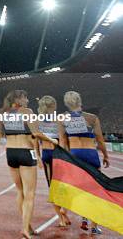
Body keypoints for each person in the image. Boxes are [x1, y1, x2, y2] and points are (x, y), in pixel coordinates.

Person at [0, 90, 57, 239]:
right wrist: (53, 141)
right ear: (18, 99)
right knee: (30, 193)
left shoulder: (2, 113)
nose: (27, 100)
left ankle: (28, 226)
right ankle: (25, 228)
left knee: (20, 191)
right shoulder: (27, 111)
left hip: (11, 153)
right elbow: (37, 133)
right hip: (25, 152)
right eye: (25, 97)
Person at [59, 91, 110, 235]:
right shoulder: (92, 118)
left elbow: (63, 142)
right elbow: (100, 140)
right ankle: (94, 226)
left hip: (75, 154)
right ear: (80, 101)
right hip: (90, 154)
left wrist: (66, 159)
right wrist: (105, 156)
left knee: (80, 189)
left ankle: (81, 217)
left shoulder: (62, 118)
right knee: (95, 191)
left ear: (67, 104)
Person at [36, 95, 70, 227]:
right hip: (58, 154)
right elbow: (62, 141)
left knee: (52, 188)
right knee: (64, 185)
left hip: (46, 155)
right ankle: (64, 209)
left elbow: (35, 142)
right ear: (54, 106)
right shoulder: (58, 120)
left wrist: (38, 157)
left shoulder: (38, 121)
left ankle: (61, 219)